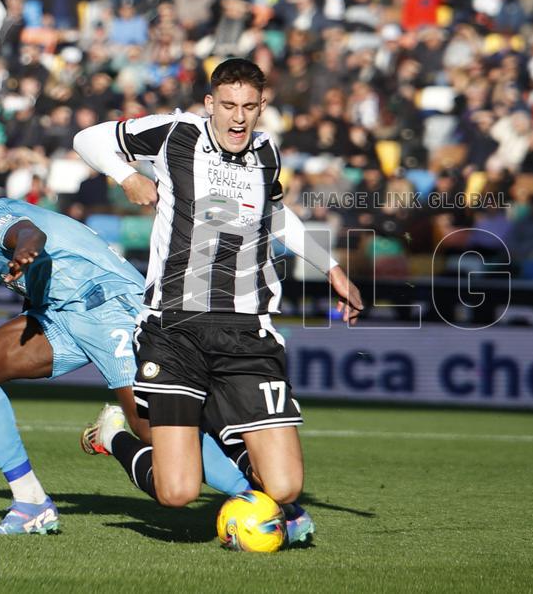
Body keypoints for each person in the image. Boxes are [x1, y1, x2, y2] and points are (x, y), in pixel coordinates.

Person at [73, 58, 363, 543]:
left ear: (262, 107)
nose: (237, 117)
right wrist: (126, 176)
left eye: (249, 106)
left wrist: (330, 267)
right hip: (175, 329)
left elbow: (277, 215)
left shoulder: (266, 151)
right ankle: (115, 436)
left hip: (248, 330)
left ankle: (225, 427)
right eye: (227, 105)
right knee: (178, 492)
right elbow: (88, 140)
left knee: (287, 485)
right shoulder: (176, 134)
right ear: (210, 104)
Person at [0, 176, 250, 535]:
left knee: (152, 431)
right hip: (62, 315)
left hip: (110, 305)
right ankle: (31, 504)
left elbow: (28, 234)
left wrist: (25, 250)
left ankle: (256, 496)